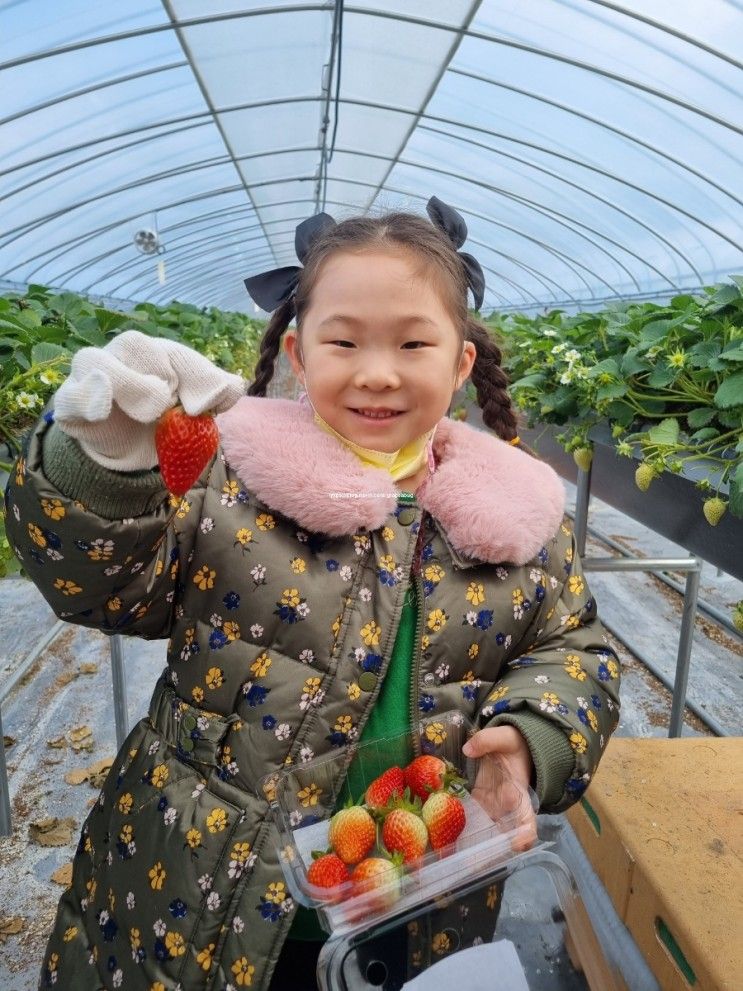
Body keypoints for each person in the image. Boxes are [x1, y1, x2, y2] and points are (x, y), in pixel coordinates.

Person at [4, 196, 621, 991]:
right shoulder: (232, 483)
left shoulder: (518, 514)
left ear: (460, 360)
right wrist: (105, 467)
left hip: (422, 885)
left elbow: (574, 645)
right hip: (206, 884)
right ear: (297, 353)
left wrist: (529, 738)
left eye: (412, 342)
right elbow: (101, 589)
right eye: (343, 341)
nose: (376, 371)